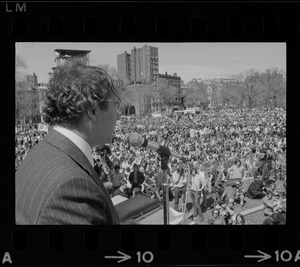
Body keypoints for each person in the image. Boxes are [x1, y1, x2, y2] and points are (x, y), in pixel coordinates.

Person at [15, 62, 121, 225]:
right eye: (116, 105)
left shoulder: (43, 151)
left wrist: (98, 198)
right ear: (93, 110)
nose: (118, 115)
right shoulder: (71, 188)